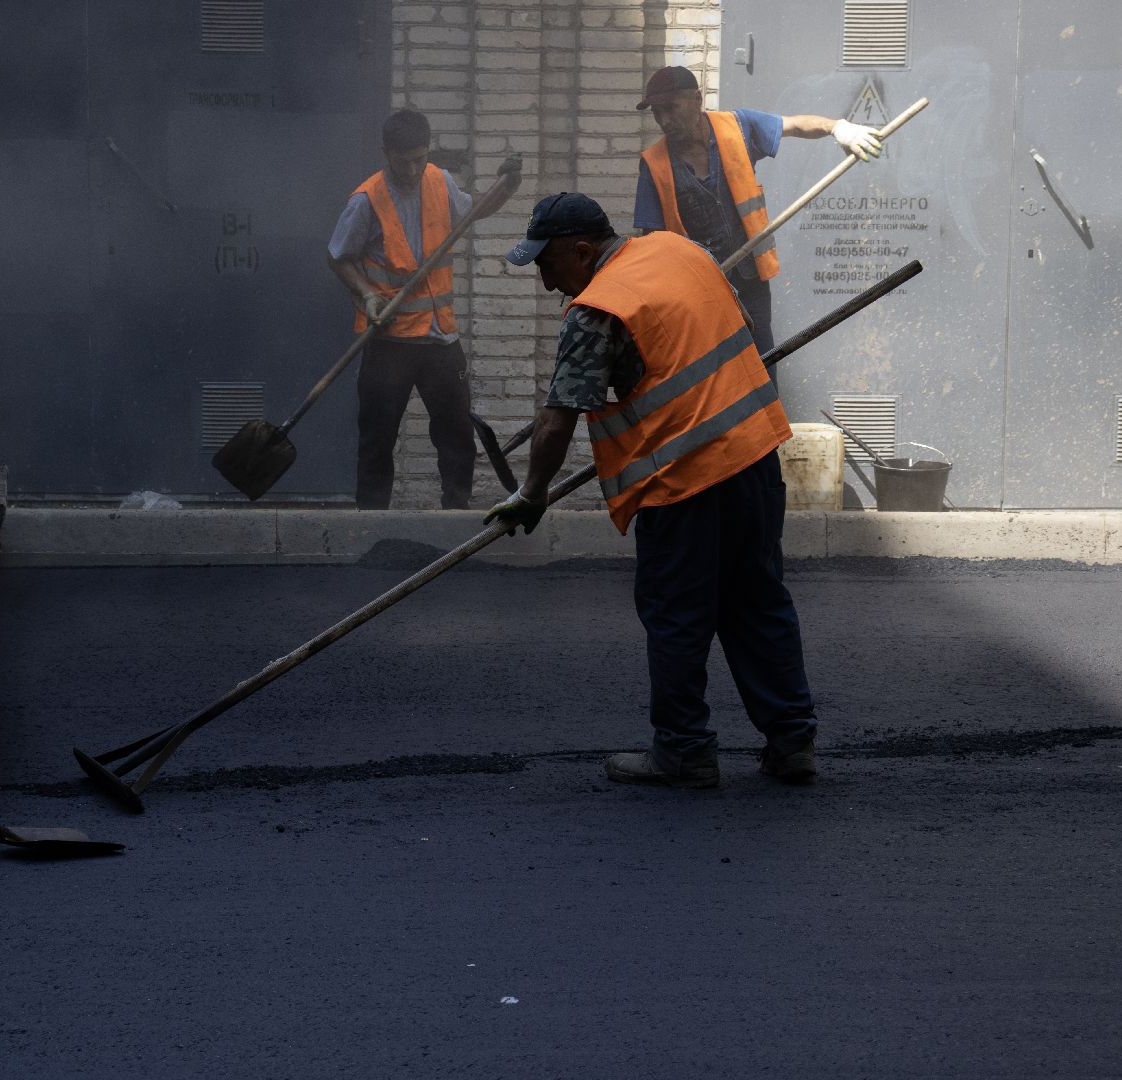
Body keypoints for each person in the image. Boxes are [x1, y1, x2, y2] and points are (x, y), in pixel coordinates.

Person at [485, 192, 819, 788]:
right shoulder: (681, 251)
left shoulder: (597, 309)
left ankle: (685, 753)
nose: (545, 284)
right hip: (753, 459)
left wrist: (531, 494)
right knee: (758, 603)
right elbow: (734, 331)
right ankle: (792, 743)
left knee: (677, 617)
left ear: (583, 251)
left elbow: (561, 415)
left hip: (684, 484)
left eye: (546, 266)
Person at [327, 109, 519, 509]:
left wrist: (508, 186)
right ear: (387, 153)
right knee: (378, 438)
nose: (413, 170)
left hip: (439, 337)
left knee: (455, 434)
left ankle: (457, 517)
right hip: (389, 340)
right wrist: (367, 295)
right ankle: (372, 523)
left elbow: (473, 211)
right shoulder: (367, 200)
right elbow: (339, 257)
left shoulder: (439, 180)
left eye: (420, 158)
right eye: (404, 161)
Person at [634, 65, 883, 356]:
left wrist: (838, 128)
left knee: (761, 362)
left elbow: (795, 125)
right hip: (696, 291)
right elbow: (650, 242)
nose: (664, 120)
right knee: (714, 373)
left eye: (671, 108)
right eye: (657, 112)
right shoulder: (654, 164)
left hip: (749, 280)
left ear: (697, 99)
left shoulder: (737, 128)